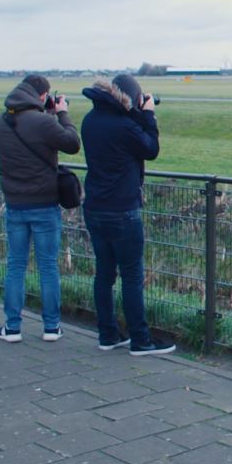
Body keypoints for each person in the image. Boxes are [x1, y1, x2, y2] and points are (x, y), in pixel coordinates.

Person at [80, 75, 174, 355]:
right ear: (131, 99)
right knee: (132, 277)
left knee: (104, 275)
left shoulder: (90, 120)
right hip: (122, 211)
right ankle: (140, 339)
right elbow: (151, 149)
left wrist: (136, 112)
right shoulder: (125, 126)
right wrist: (148, 116)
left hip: (94, 207)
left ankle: (108, 334)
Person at [0, 74, 80, 343]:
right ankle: (51, 327)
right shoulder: (42, 122)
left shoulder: (0, 122)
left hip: (15, 204)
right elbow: (72, 143)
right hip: (44, 204)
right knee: (48, 267)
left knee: (16, 265)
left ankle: (12, 327)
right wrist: (61, 114)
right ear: (43, 96)